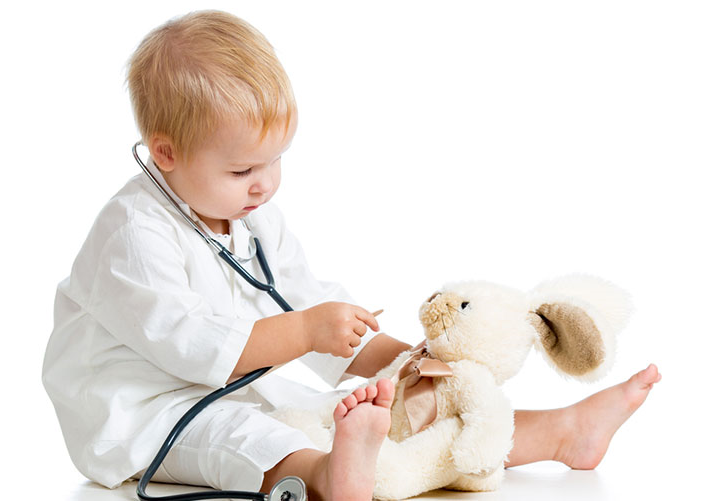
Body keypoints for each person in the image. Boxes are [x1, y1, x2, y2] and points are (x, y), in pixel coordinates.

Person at [42, 10, 661, 501]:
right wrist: (311, 329)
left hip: (226, 391)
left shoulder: (251, 217)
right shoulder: (131, 235)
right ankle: (326, 477)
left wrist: (401, 363)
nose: (265, 184)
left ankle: (561, 433)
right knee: (255, 438)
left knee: (399, 406)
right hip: (142, 420)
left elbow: (305, 303)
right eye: (242, 168)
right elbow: (195, 345)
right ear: (165, 153)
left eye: (275, 160)